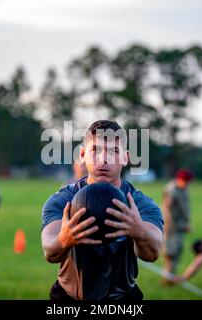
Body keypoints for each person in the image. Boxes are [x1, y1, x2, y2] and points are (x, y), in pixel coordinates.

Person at [41, 120, 163, 300]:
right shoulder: (63, 200)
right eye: (95, 150)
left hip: (122, 300)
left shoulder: (140, 205)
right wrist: (64, 239)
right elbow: (50, 252)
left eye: (114, 151)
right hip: (69, 299)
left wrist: (140, 232)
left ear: (125, 157)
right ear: (82, 154)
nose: (104, 159)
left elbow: (153, 253)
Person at [161, 169, 193, 281]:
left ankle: (170, 277)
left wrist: (186, 223)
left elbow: (185, 208)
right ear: (180, 179)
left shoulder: (183, 189)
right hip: (171, 226)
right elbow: (167, 212)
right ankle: (167, 278)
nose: (188, 184)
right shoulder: (172, 191)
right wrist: (182, 226)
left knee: (177, 251)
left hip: (180, 226)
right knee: (170, 252)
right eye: (186, 181)